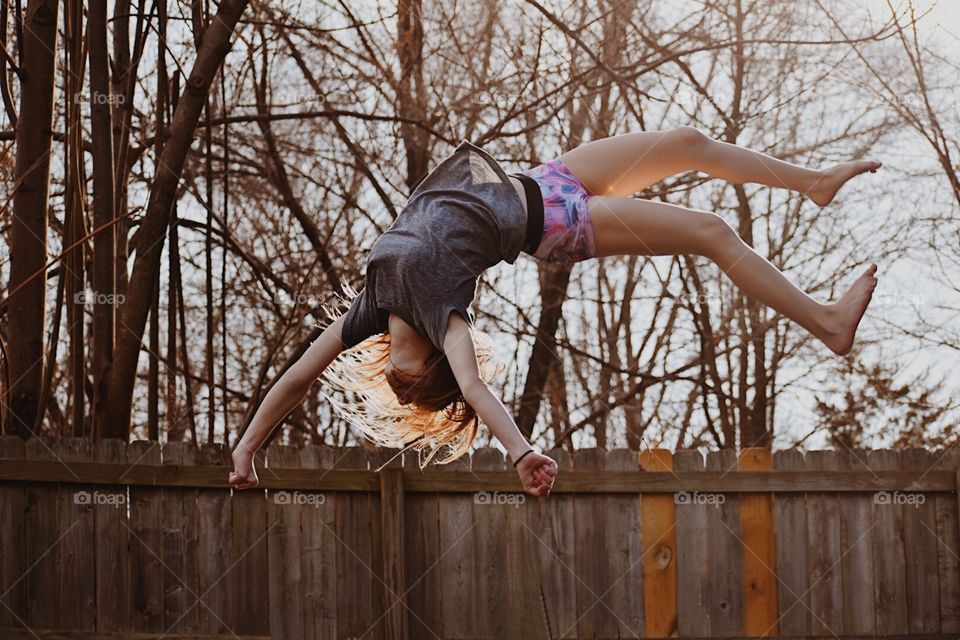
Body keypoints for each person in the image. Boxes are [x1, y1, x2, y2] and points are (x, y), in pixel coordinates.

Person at [229, 128, 880, 497]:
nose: (392, 367)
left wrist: (246, 449)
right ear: (428, 366)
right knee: (709, 231)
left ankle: (813, 182)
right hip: (554, 223)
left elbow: (295, 379)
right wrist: (521, 451)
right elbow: (478, 389)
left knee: (689, 141)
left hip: (542, 180)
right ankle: (826, 324)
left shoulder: (370, 308)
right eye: (409, 372)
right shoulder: (442, 319)